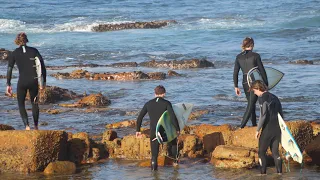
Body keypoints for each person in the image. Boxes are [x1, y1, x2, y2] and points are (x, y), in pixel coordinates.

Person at [6, 32, 47, 130]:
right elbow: (42, 67)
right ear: (26, 39)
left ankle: (27, 126)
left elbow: (9, 69)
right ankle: (36, 126)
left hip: (22, 82)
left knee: (21, 104)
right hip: (33, 82)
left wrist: (8, 84)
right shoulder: (34, 51)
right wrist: (43, 83)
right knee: (34, 103)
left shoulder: (14, 53)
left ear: (17, 41)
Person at [136, 85, 180, 171]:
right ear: (164, 94)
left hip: (154, 132)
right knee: (174, 143)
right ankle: (175, 164)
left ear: (154, 93)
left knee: (154, 155)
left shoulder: (148, 103)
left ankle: (154, 173)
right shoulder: (167, 103)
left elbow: (140, 117)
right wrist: (177, 129)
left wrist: (138, 130)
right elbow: (172, 117)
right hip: (165, 131)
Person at [233, 37, 268, 128]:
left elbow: (235, 72)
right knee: (250, 104)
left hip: (245, 82)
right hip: (254, 81)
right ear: (252, 45)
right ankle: (241, 126)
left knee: (251, 103)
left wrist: (236, 86)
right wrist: (266, 83)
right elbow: (262, 70)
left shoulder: (238, 57)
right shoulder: (256, 56)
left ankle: (253, 124)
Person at [250, 80, 282, 175]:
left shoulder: (262, 98)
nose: (254, 93)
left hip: (267, 129)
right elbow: (281, 114)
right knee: (275, 153)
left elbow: (263, 115)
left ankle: (262, 174)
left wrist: (257, 129)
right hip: (277, 129)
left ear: (258, 88)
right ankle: (279, 174)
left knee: (261, 152)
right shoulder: (275, 97)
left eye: (254, 91)